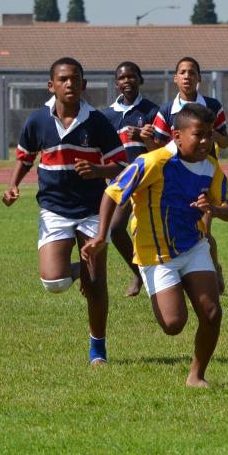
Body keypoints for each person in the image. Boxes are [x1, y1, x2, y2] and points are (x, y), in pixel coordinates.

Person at [81, 103, 228, 387]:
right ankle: (171, 286)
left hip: (193, 246)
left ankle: (196, 376)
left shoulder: (210, 166)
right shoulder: (152, 162)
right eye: (199, 135)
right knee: (173, 324)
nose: (206, 141)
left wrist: (214, 210)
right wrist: (100, 236)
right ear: (177, 135)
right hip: (155, 253)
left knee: (212, 312)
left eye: (209, 135)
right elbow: (112, 192)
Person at [2, 57, 127, 365]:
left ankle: (98, 347)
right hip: (54, 209)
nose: (70, 84)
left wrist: (98, 170)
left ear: (83, 85)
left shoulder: (97, 122)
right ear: (51, 85)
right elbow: (25, 156)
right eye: (63, 79)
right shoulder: (37, 121)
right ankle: (77, 270)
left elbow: (122, 165)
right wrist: (13, 185)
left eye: (75, 79)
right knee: (54, 282)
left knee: (96, 284)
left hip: (92, 209)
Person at [142, 56, 228, 291]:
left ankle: (213, 268)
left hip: (203, 178)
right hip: (174, 181)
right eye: (182, 72)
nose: (187, 76)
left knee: (203, 229)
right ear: (175, 78)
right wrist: (147, 140)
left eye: (192, 72)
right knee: (181, 229)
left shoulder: (212, 106)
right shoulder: (167, 110)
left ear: (199, 77)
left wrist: (211, 133)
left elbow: (226, 141)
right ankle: (177, 274)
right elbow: (159, 150)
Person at [100, 61, 160, 296]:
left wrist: (145, 137)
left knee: (147, 231)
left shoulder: (152, 111)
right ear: (116, 84)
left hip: (147, 180)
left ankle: (163, 278)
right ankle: (138, 273)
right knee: (115, 229)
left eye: (132, 76)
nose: (127, 81)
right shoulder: (107, 116)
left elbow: (159, 151)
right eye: (122, 78)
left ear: (140, 80)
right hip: (120, 183)